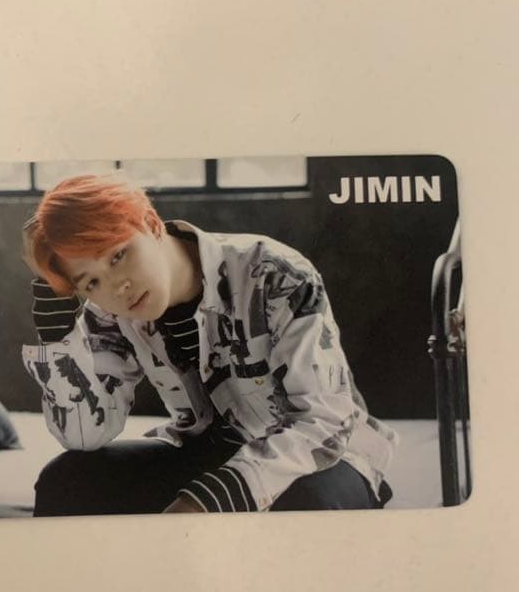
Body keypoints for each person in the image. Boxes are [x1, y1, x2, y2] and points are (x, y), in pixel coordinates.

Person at [21, 173, 396, 515]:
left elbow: (324, 419)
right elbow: (86, 435)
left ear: (151, 224)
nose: (118, 287)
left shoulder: (272, 272)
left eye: (118, 255)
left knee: (305, 506)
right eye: (91, 282)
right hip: (205, 456)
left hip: (320, 455)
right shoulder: (108, 313)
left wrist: (210, 498)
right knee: (66, 480)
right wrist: (58, 342)